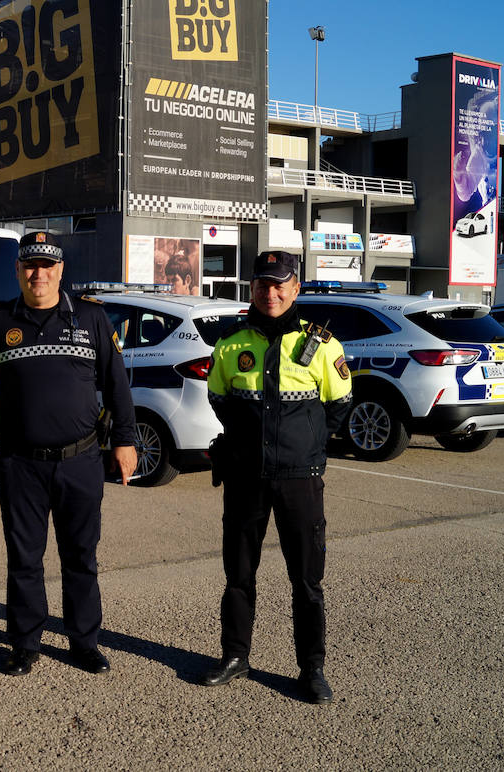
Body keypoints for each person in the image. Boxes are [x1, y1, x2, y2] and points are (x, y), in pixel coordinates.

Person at [0, 231, 138, 676]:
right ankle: (25, 643)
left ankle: (84, 641)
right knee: (24, 558)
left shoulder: (91, 318)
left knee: (80, 556)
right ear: (18, 271)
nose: (38, 274)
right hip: (19, 462)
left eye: (47, 266)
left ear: (61, 271)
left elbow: (116, 384)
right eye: (30, 266)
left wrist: (124, 440)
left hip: (81, 459)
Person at [202, 250, 352, 705]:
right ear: (252, 288)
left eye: (279, 284)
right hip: (246, 478)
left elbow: (339, 406)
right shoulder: (231, 343)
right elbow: (219, 399)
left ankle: (312, 669)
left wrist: (305, 443)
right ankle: (235, 656)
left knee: (306, 580)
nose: (271, 292)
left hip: (299, 479)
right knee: (238, 574)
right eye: (263, 284)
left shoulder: (322, 345)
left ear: (296, 288)